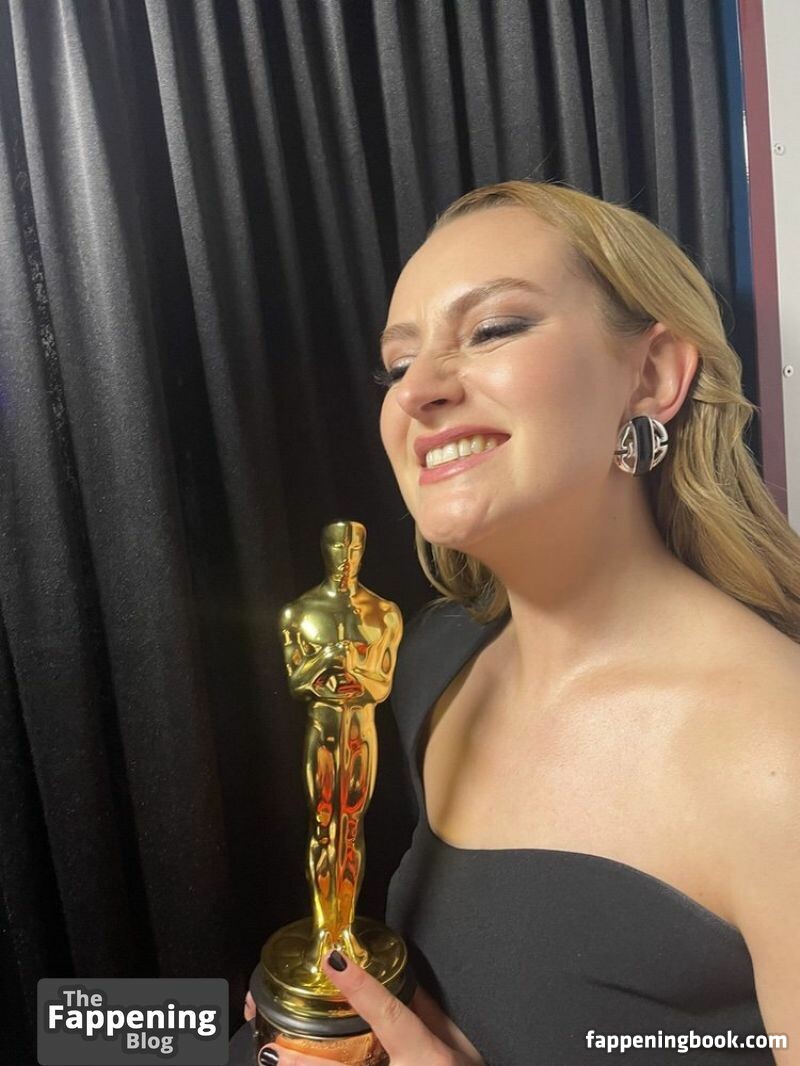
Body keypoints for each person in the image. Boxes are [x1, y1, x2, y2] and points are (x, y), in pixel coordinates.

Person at [246, 180, 800, 1064]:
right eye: (397, 364)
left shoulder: (779, 755)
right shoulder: (436, 659)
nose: (418, 391)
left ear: (652, 375)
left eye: (494, 328)